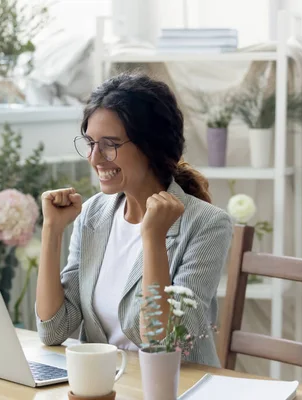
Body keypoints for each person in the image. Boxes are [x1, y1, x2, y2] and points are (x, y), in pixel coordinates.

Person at [35, 72, 233, 368]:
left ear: (150, 146)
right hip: (104, 386)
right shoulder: (93, 214)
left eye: (110, 144)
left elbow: (164, 343)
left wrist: (153, 239)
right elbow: (53, 330)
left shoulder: (207, 224)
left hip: (177, 388)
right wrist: (51, 231)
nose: (94, 158)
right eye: (90, 143)